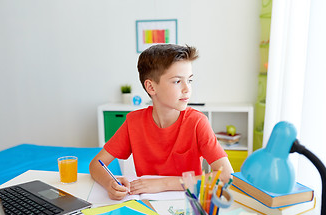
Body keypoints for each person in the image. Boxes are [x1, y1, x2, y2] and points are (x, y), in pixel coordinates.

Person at [89, 44, 233, 200]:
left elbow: (226, 175)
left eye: (189, 80)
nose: (187, 89)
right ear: (151, 87)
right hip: (148, 204)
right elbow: (96, 164)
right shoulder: (133, 122)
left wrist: (164, 183)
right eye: (177, 81)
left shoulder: (197, 122)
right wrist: (110, 183)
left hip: (189, 205)